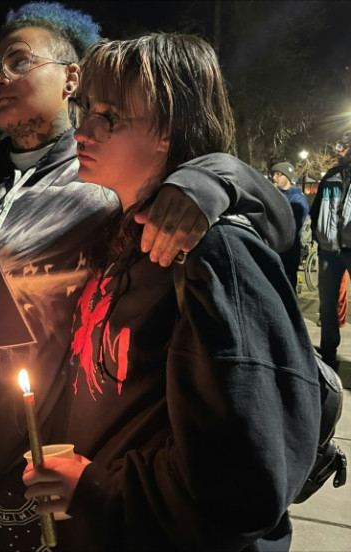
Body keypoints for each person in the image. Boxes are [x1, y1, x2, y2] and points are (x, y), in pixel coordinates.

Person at [0, 4, 295, 550]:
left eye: (19, 61)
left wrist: (215, 179)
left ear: (71, 77)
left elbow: (261, 220)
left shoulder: (100, 177)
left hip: (43, 454)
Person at [22, 33, 320, 551]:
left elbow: (241, 484)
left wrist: (94, 491)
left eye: (109, 116)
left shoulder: (214, 254)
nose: (82, 132)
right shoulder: (122, 233)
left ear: (169, 133)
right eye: (86, 109)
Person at [311, 129, 351, 370]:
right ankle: (328, 354)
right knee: (327, 305)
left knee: (329, 305)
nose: (343, 150)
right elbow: (316, 210)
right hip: (328, 250)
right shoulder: (332, 176)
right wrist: (319, 235)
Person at [270, 161, 309, 290]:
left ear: (288, 177)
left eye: (278, 174)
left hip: (289, 250)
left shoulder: (298, 200)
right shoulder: (273, 195)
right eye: (272, 174)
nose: (274, 177)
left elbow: (292, 226)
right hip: (274, 248)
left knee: (287, 287)